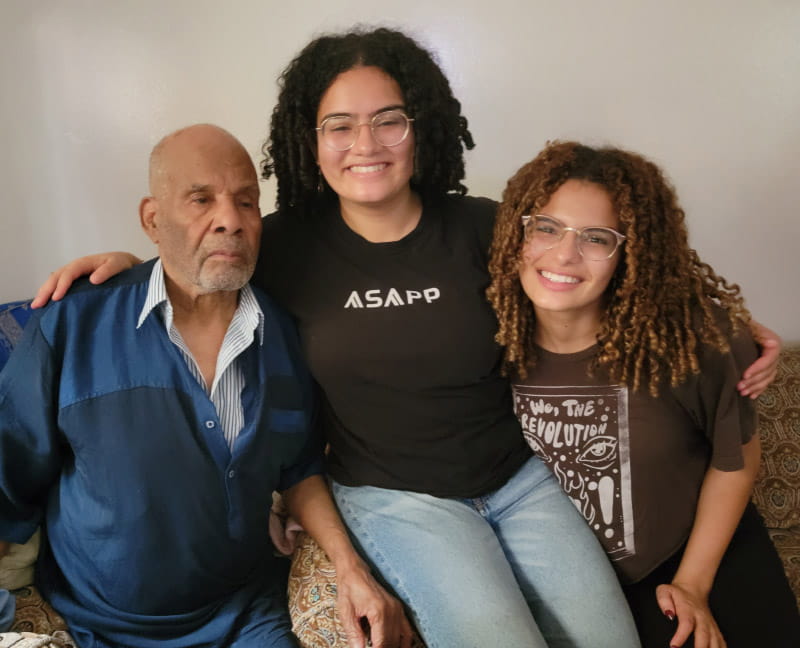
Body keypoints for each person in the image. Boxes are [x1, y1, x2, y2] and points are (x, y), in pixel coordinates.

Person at [30, 28, 781, 647]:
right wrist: (125, 264)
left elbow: (596, 268)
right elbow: (201, 257)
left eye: (388, 119)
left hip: (520, 482)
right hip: (394, 499)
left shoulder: (484, 227)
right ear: (310, 140)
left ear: (421, 129)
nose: (366, 143)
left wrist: (725, 322)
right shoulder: (281, 245)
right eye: (340, 125)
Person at [0, 124, 409, 648]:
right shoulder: (73, 323)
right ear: (152, 219)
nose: (230, 220)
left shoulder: (282, 334)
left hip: (243, 616)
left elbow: (300, 466)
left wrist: (351, 568)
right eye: (201, 200)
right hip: (95, 624)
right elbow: (7, 473)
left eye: (246, 202)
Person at [486, 141, 800, 648]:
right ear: (515, 234)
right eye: (546, 227)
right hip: (578, 584)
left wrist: (693, 584)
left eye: (597, 238)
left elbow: (737, 458)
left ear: (631, 253)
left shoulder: (691, 342)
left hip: (697, 560)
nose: (564, 254)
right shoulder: (481, 339)